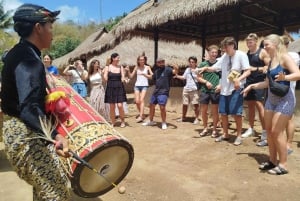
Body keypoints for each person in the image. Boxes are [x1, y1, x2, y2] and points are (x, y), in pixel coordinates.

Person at [0, 3, 70, 200]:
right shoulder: (27, 59)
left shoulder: (23, 53)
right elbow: (29, 107)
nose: (52, 32)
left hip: (24, 130)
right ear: (38, 28)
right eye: (50, 26)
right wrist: (56, 135)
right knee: (57, 194)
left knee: (44, 193)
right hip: (24, 133)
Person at [243, 34, 300, 175]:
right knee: (268, 131)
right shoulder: (270, 62)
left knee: (276, 131)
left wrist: (285, 77)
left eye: (267, 44)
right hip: (271, 99)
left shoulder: (284, 57)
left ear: (275, 44)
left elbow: (298, 74)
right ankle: (273, 161)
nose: (265, 47)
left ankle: (283, 164)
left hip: (285, 99)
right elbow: (268, 83)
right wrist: (252, 86)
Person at [200, 37, 251, 145]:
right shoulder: (224, 56)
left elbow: (248, 71)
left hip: (236, 89)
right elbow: (215, 68)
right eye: (224, 47)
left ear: (233, 45)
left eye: (226, 47)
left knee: (236, 113)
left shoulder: (241, 55)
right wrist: (204, 69)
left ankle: (238, 136)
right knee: (223, 113)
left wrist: (239, 79)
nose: (225, 49)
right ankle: (225, 134)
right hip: (224, 89)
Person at [242, 33, 270, 147]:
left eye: (251, 42)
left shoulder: (262, 52)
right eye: (248, 42)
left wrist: (256, 69)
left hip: (260, 83)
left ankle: (264, 132)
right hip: (249, 82)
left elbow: (268, 66)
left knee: (260, 107)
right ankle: (251, 128)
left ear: (256, 42)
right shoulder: (247, 54)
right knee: (250, 106)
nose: (249, 44)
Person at [142, 57, 178, 129]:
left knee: (162, 107)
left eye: (162, 61)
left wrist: (176, 68)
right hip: (156, 91)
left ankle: (164, 122)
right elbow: (152, 77)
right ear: (157, 63)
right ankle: (151, 121)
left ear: (164, 62)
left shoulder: (167, 69)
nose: (161, 63)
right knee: (151, 106)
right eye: (159, 62)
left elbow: (174, 72)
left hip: (164, 92)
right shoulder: (157, 71)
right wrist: (144, 75)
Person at [197, 45, 221, 137]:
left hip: (215, 90)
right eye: (212, 52)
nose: (214, 54)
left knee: (215, 111)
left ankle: (214, 129)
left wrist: (220, 85)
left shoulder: (219, 64)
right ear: (209, 53)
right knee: (204, 111)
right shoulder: (203, 64)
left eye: (216, 52)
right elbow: (198, 77)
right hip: (205, 90)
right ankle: (205, 128)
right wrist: (206, 82)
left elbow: (223, 77)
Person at [282, 35, 300, 154]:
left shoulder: (293, 55)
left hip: (289, 91)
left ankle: (289, 143)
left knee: (289, 118)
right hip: (277, 92)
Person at [125, 55, 153, 123]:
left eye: (143, 59)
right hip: (137, 85)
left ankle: (141, 116)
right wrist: (128, 71)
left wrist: (145, 75)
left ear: (145, 60)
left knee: (141, 100)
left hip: (144, 85)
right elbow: (131, 76)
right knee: (137, 101)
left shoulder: (147, 67)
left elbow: (152, 76)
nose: (142, 61)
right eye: (140, 60)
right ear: (138, 61)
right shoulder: (136, 67)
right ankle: (142, 114)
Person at [103, 53, 127, 127]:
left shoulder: (121, 67)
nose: (119, 59)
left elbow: (123, 77)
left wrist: (124, 80)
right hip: (110, 87)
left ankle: (123, 121)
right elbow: (105, 78)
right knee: (112, 106)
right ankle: (113, 122)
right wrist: (103, 75)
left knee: (120, 106)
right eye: (117, 58)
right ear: (113, 58)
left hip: (119, 87)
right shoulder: (108, 67)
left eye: (119, 58)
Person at [174, 56, 200, 124]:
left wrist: (196, 74)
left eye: (193, 62)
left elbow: (200, 78)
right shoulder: (187, 70)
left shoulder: (198, 70)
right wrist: (177, 76)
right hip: (186, 89)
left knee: (195, 104)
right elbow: (184, 77)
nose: (191, 63)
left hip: (194, 89)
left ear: (195, 63)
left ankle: (197, 118)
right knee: (184, 104)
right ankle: (183, 117)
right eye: (190, 62)